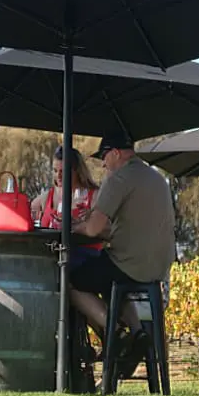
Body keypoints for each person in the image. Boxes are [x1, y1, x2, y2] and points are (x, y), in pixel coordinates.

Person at [71, 129, 176, 377]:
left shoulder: (119, 179)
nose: (104, 165)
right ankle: (138, 335)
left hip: (128, 263)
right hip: (157, 268)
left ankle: (115, 334)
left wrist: (76, 226)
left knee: (69, 278)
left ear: (116, 153)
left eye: (104, 158)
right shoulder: (156, 178)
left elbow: (95, 228)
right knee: (110, 281)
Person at [31, 145, 103, 267]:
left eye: (63, 171)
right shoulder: (47, 196)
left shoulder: (94, 195)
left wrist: (88, 220)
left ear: (76, 171)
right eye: (55, 171)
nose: (58, 176)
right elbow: (29, 215)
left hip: (85, 260)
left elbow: (105, 228)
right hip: (52, 258)